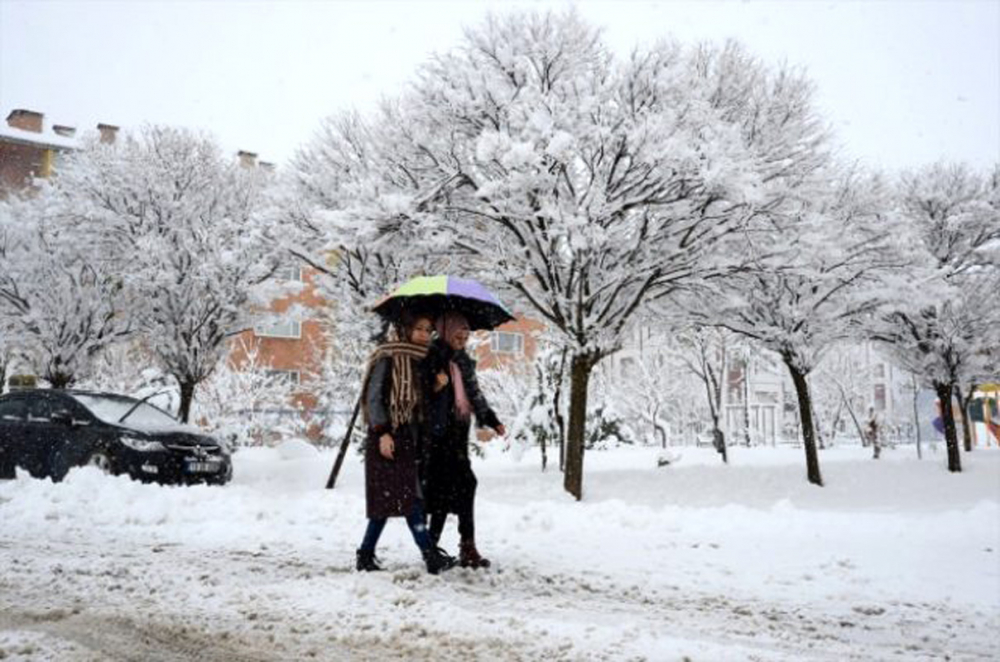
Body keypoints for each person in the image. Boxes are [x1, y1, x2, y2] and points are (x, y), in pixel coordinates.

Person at [355, 313, 456, 575]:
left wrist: (436, 385)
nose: (424, 334)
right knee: (408, 498)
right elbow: (373, 398)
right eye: (419, 329)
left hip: (411, 439)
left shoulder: (421, 361)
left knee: (389, 500)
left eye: (428, 329)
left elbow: (419, 403)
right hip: (388, 437)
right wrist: (382, 433)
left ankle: (365, 554)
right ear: (404, 328)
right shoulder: (387, 356)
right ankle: (430, 555)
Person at [421, 311, 506, 569]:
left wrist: (492, 419)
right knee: (444, 491)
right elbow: (417, 394)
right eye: (459, 333)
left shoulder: (464, 362)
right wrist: (434, 386)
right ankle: (440, 547)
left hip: (457, 437)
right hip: (435, 438)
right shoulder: (430, 356)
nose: (463, 337)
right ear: (445, 330)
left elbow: (474, 394)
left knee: (458, 488)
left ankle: (456, 546)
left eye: (466, 334)